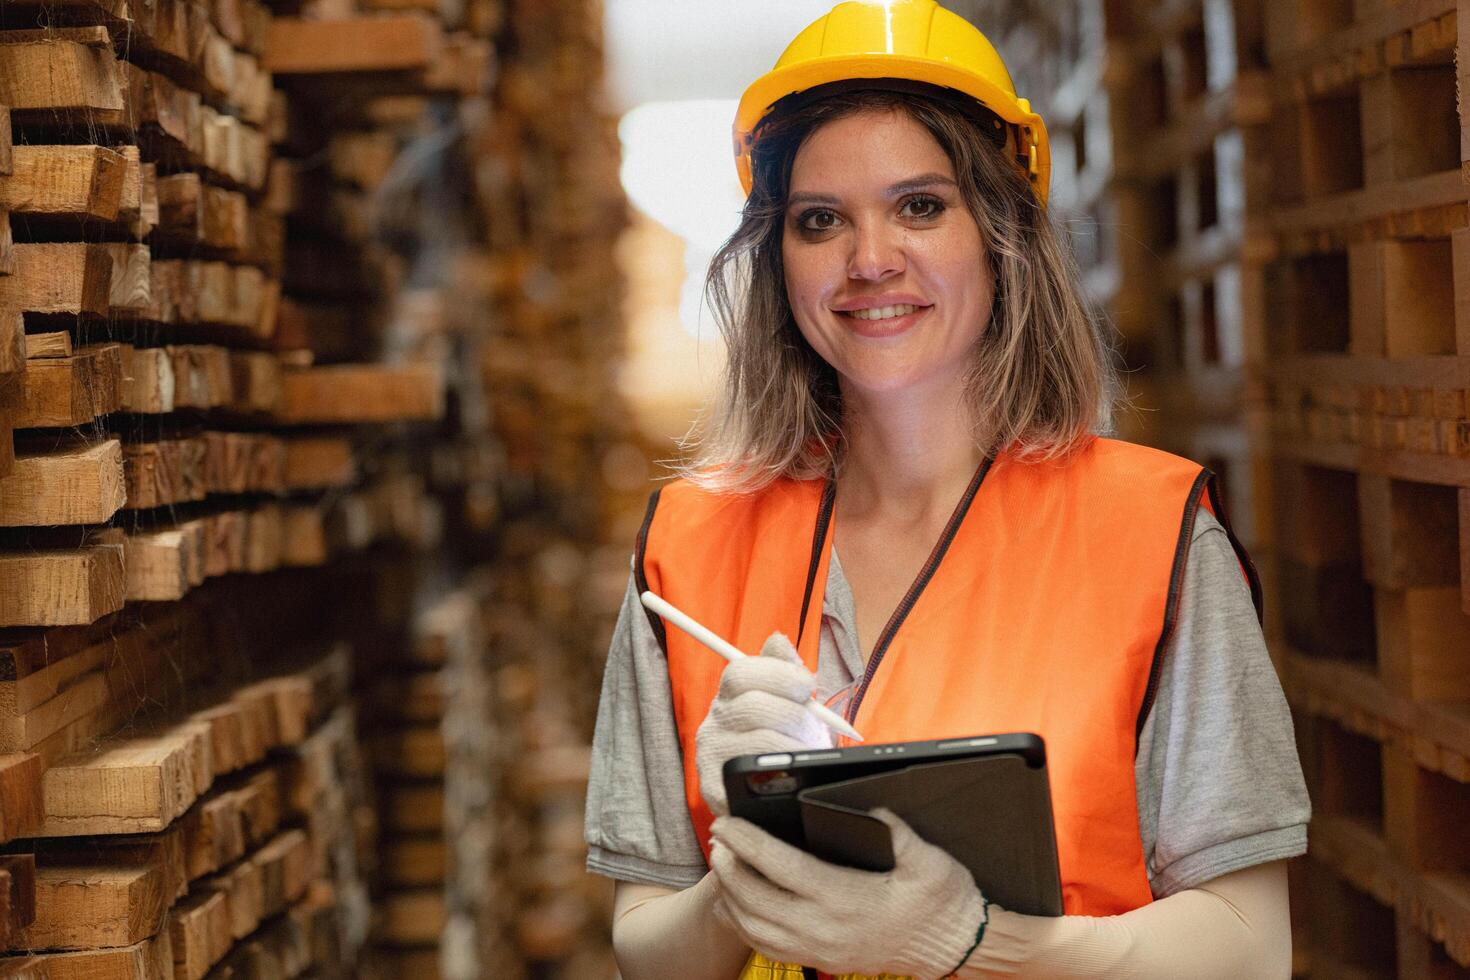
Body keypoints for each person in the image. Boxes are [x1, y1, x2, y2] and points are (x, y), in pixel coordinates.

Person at [585, 2, 1310, 977]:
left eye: (920, 204)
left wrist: (971, 942)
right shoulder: (690, 548)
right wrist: (740, 874)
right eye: (819, 220)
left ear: (1001, 229)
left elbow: (1250, 947)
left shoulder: (1149, 534)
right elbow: (647, 948)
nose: (869, 257)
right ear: (777, 258)